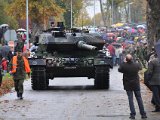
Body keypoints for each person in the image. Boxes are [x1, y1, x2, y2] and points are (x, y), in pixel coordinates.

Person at [118, 54, 147, 119]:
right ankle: (143, 114)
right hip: (136, 84)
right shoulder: (136, 65)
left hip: (128, 84)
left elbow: (119, 69)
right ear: (132, 59)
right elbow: (141, 68)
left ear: (126, 59)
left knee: (130, 99)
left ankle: (133, 114)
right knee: (139, 98)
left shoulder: (124, 65)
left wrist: (123, 62)